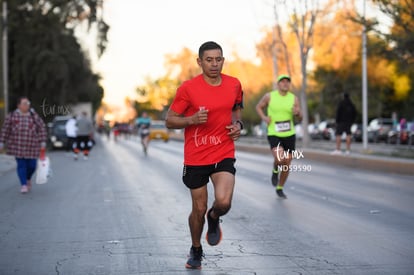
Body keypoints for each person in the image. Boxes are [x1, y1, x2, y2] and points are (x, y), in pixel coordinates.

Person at [165, 41, 243, 269]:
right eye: (209, 60)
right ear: (200, 62)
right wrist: (190, 120)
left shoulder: (234, 84)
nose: (214, 64)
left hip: (223, 150)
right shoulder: (188, 89)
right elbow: (170, 120)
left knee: (224, 202)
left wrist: (238, 124)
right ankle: (196, 249)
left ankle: (214, 216)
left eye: (218, 59)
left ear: (223, 60)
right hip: (196, 156)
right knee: (198, 208)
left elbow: (237, 108)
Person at [255, 75, 302, 199]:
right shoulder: (269, 96)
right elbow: (258, 107)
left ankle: (280, 187)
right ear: (278, 84)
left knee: (287, 163)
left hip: (289, 134)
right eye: (283, 81)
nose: (285, 84)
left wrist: (298, 114)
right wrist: (264, 118)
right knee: (280, 159)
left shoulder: (294, 98)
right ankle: (275, 169)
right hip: (274, 132)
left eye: (287, 82)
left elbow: (300, 116)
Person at [0, 96, 47, 193]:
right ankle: (23, 184)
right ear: (19, 105)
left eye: (28, 103)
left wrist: (43, 141)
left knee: (32, 166)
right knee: (21, 165)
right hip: (18, 146)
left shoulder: (33, 116)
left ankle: (28, 178)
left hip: (32, 147)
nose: (27, 105)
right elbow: (5, 130)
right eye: (25, 103)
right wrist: (1, 142)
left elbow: (42, 127)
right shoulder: (12, 116)